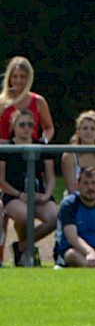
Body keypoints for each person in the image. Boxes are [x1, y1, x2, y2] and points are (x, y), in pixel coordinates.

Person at [1, 108, 58, 266]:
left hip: (38, 194)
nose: (26, 128)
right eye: (22, 124)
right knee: (25, 215)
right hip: (13, 195)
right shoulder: (6, 148)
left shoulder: (41, 146)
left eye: (30, 124)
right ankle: (27, 253)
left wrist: (47, 195)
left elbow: (51, 177)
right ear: (13, 125)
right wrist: (20, 195)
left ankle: (21, 247)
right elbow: (1, 180)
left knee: (54, 217)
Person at [62, 110, 95, 200]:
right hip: (75, 200)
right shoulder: (69, 155)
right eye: (85, 128)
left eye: (92, 129)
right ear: (78, 132)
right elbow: (71, 189)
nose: (88, 132)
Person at [0, 56, 55, 142]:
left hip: (30, 148)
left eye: (22, 77)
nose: (18, 80)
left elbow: (49, 127)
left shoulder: (38, 101)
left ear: (28, 78)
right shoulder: (2, 101)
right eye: (15, 76)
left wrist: (44, 141)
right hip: (5, 148)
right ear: (9, 78)